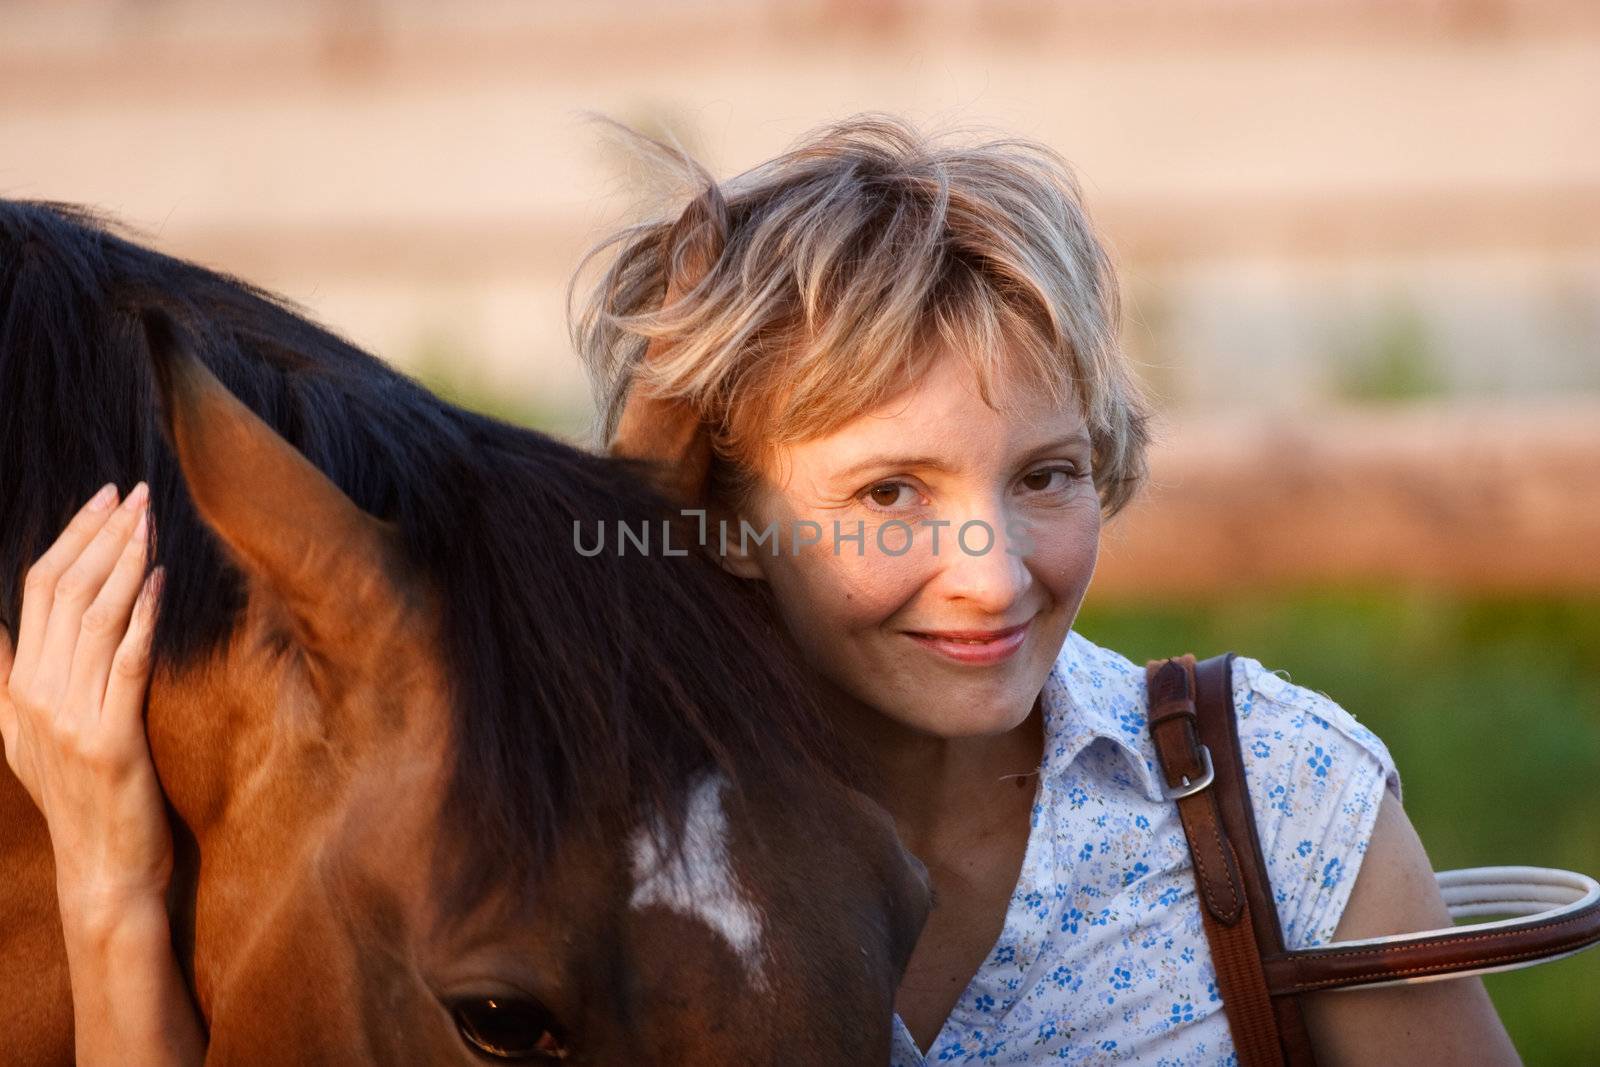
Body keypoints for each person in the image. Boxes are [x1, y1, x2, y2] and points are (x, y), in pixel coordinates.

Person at [1, 113, 1521, 1064]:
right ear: (717, 518)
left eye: (1047, 475)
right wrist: (106, 880)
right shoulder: (596, 817)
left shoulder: (1269, 802)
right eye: (887, 497)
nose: (991, 572)